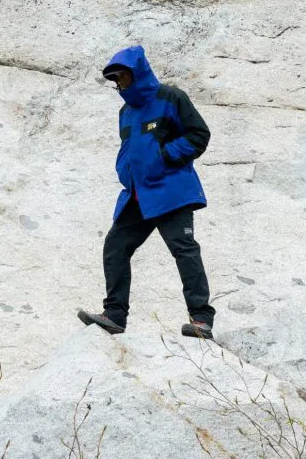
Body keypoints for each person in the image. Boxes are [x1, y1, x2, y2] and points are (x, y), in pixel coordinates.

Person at [77, 45, 216, 339]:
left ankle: (202, 319)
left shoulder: (171, 98)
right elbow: (130, 149)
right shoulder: (125, 112)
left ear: (136, 72)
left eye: (121, 76)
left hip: (171, 191)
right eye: (114, 79)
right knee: (115, 247)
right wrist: (124, 171)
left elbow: (199, 136)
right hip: (137, 196)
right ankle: (114, 315)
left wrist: (165, 157)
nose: (118, 83)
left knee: (184, 250)